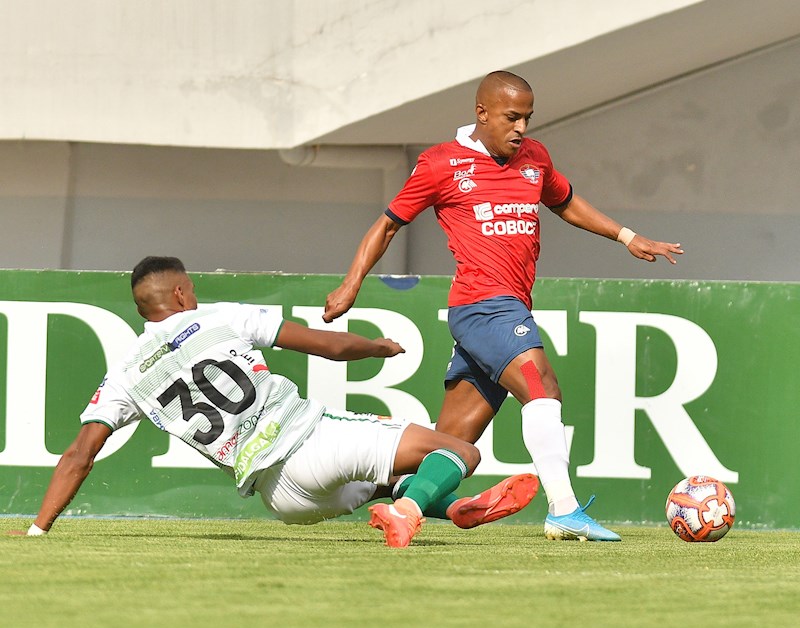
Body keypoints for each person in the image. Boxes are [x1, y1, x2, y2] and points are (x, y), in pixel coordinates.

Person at [324, 71, 685, 542]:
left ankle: (402, 501)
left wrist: (627, 236)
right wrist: (352, 284)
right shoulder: (441, 163)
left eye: (527, 119)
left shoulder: (534, 158)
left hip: (505, 308)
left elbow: (566, 202)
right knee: (543, 389)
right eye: (512, 117)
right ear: (482, 113)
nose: (521, 129)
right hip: (484, 307)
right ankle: (564, 508)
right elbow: (388, 225)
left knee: (451, 445)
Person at [18, 256, 538, 548]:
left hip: (282, 501)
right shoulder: (215, 316)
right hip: (310, 442)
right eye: (191, 289)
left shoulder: (126, 373)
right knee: (459, 453)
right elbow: (328, 346)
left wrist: (38, 529)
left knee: (384, 474)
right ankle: (410, 509)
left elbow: (79, 455)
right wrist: (377, 347)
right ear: (179, 294)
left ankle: (454, 509)